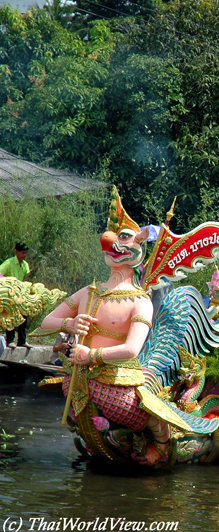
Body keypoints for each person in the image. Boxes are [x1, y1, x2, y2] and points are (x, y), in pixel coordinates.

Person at [39, 187, 165, 465]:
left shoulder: (141, 301)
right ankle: (101, 442)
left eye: (123, 238)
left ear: (139, 246)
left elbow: (132, 349)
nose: (112, 243)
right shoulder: (89, 291)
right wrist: (70, 323)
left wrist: (91, 356)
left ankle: (162, 444)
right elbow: (47, 322)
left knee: (140, 409)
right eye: (113, 238)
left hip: (116, 382)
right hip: (78, 378)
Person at [1, 242, 33, 348]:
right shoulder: (9, 263)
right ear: (17, 252)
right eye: (22, 253)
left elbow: (25, 277)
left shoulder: (24, 265)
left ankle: (22, 340)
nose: (24, 255)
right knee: (11, 317)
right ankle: (10, 340)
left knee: (24, 315)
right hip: (10, 295)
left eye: (26, 253)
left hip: (20, 294)